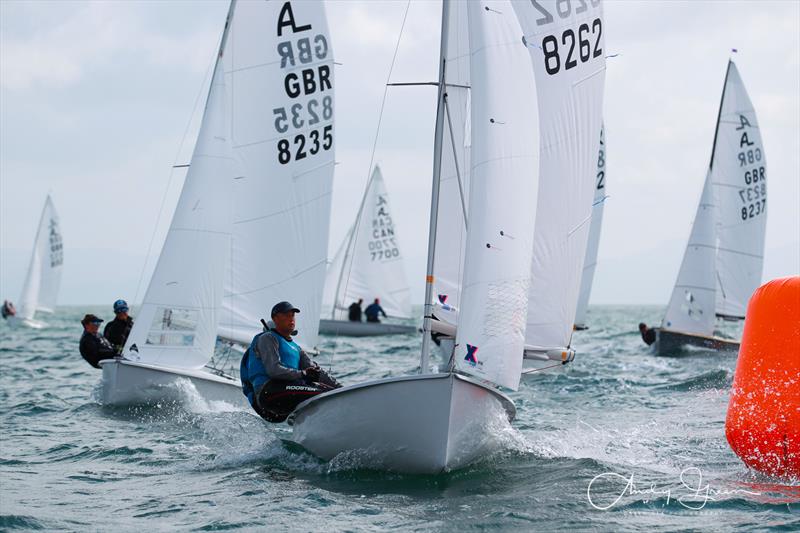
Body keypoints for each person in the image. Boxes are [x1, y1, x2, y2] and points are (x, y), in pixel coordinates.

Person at [240, 301, 341, 422]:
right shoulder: (267, 338)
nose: (291, 319)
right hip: (268, 392)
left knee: (327, 391)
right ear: (275, 319)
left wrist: (341, 390)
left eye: (292, 315)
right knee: (321, 393)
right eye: (286, 315)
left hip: (286, 392)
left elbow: (317, 372)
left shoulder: (296, 348)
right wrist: (302, 374)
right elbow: (274, 370)